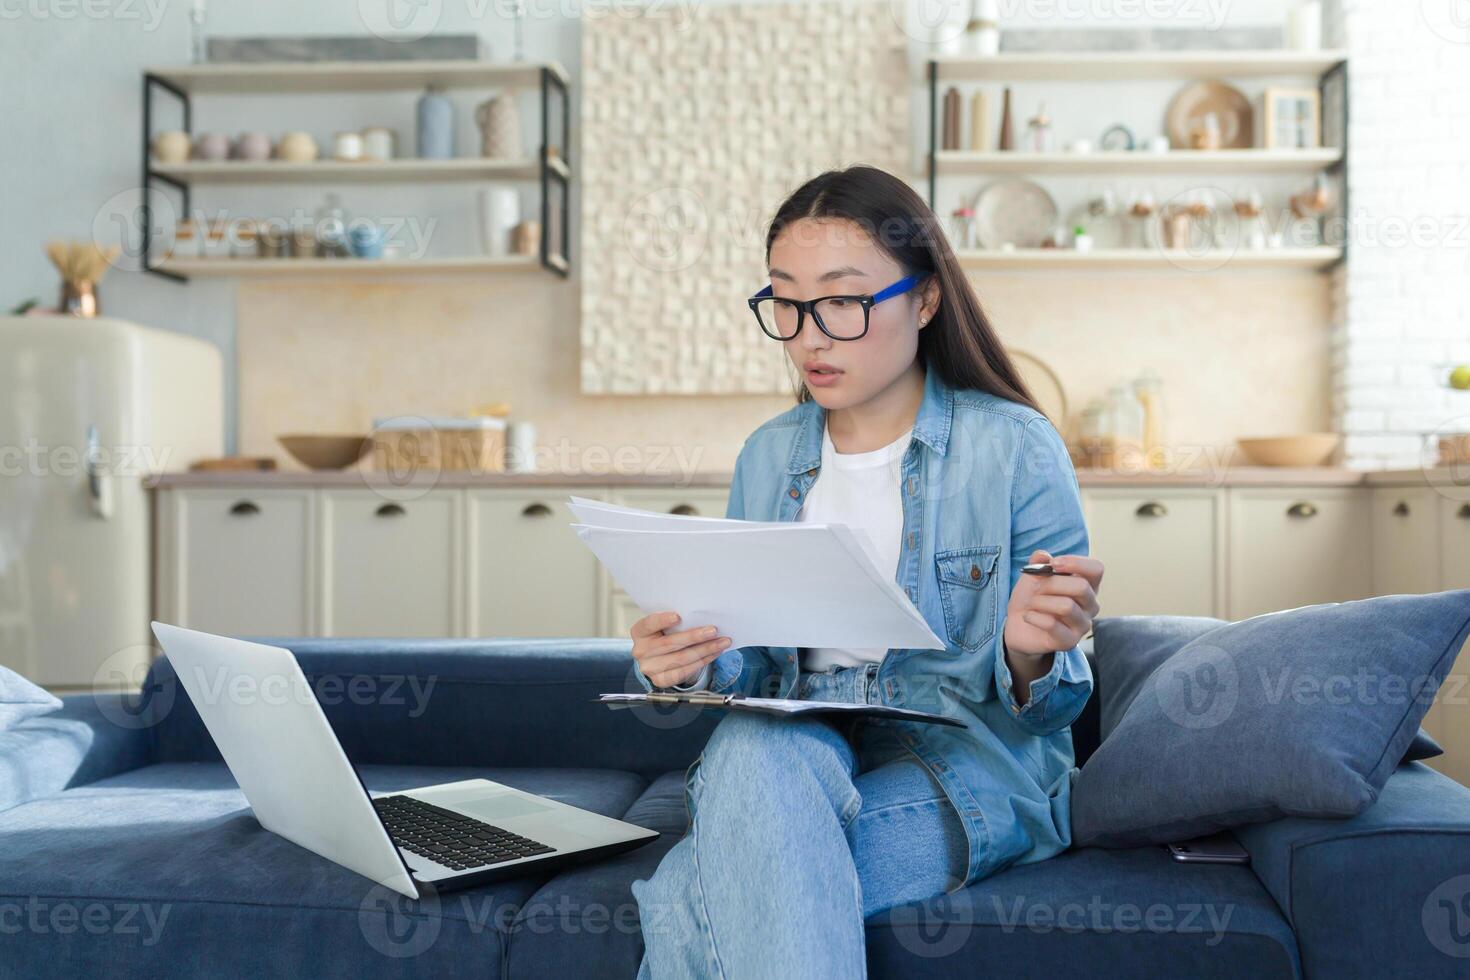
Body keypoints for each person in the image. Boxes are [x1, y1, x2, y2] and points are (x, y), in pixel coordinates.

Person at [626, 165, 1105, 979]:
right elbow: (754, 663)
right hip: (795, 747)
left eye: (843, 302)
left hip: (964, 762)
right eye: (786, 301)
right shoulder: (769, 454)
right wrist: (692, 660)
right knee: (751, 741)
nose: (810, 335)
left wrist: (1030, 652)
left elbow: (1052, 707)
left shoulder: (1015, 447)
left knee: (688, 899)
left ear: (924, 300)